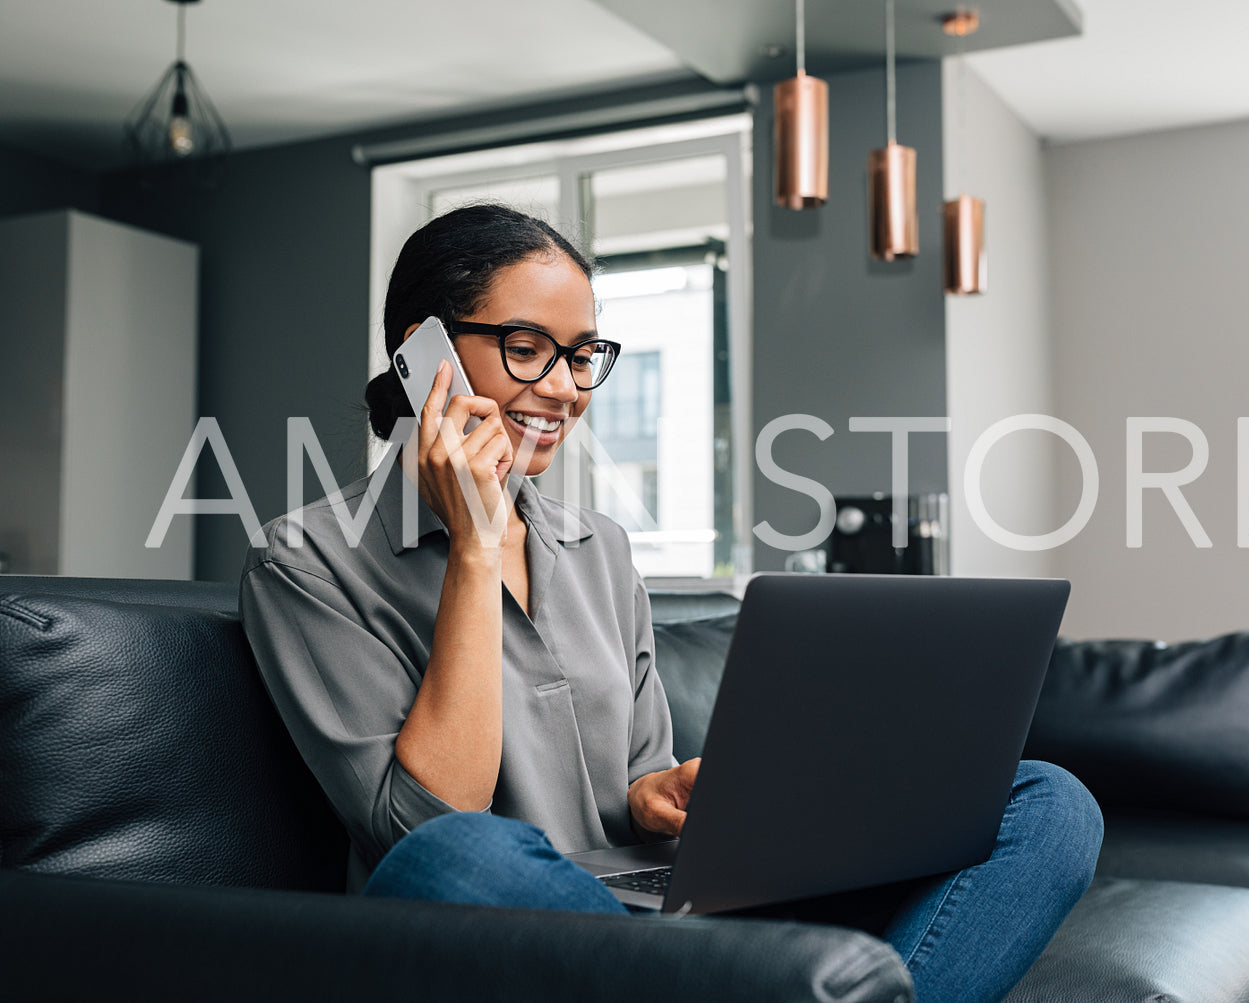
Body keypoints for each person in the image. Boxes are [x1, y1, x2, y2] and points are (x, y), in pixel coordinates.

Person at [239, 203, 1102, 1003]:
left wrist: (664, 793)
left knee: (1047, 799)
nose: (566, 387)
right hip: (501, 933)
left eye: (581, 354)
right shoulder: (306, 562)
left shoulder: (599, 549)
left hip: (663, 921)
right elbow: (427, 830)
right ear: (419, 350)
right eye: (527, 347)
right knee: (457, 857)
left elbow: (634, 782)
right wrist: (472, 545)